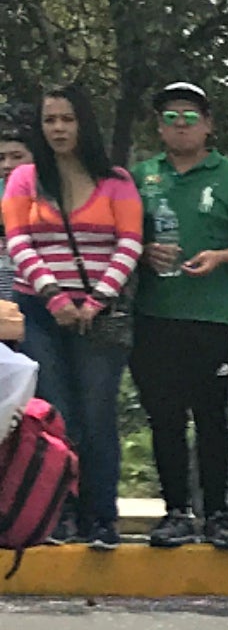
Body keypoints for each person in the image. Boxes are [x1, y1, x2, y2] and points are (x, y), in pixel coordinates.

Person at [131, 82, 228, 550]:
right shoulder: (140, 177)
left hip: (212, 316)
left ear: (208, 125)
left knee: (212, 416)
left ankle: (218, 514)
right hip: (155, 313)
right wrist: (145, 251)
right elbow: (120, 238)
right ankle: (175, 511)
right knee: (165, 418)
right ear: (159, 126)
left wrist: (221, 256)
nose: (180, 125)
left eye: (190, 116)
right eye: (170, 116)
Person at [2, 85, 142, 550]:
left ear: (83, 123)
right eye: (50, 121)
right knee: (53, 415)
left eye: (67, 119)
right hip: (40, 311)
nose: (58, 129)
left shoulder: (116, 180)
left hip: (98, 313)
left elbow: (129, 243)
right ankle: (55, 513)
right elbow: (18, 240)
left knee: (97, 414)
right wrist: (54, 296)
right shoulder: (25, 178)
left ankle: (101, 516)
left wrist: (96, 299)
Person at [0, 104, 35, 323]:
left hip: (34, 294)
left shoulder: (49, 195)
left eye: (16, 156)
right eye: (1, 157)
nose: (7, 165)